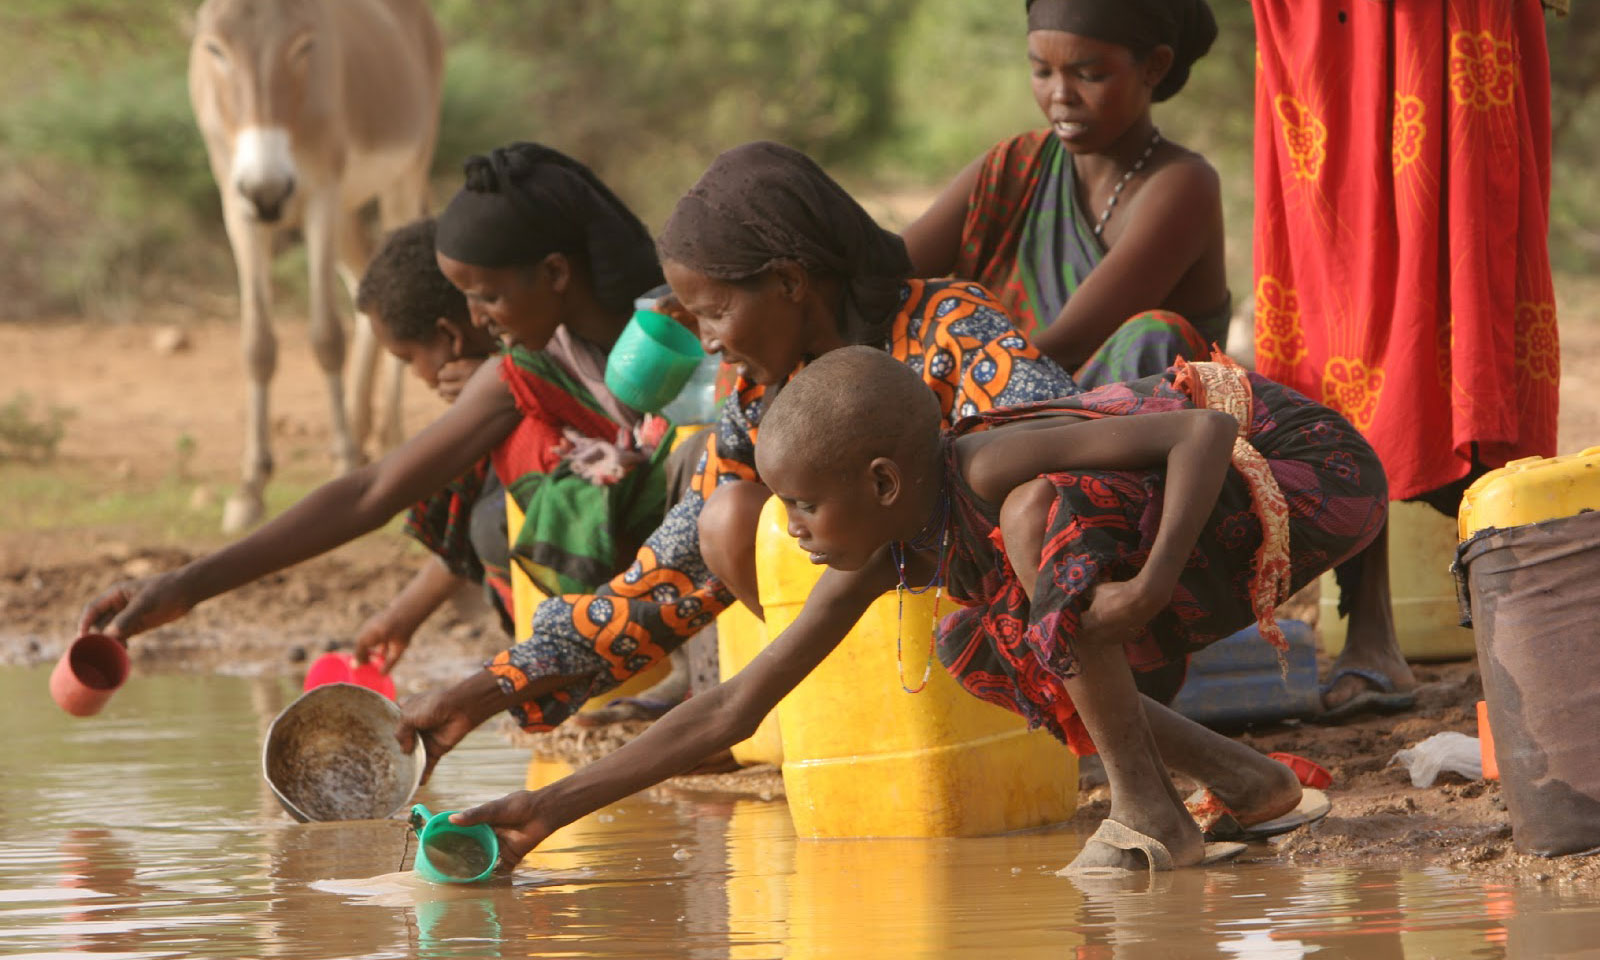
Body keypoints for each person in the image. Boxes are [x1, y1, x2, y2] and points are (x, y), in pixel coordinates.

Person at [448, 345, 1387, 873]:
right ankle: (1252, 786)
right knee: (971, 641)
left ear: (886, 478)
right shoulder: (893, 540)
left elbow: (1203, 429)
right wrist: (544, 811)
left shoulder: (982, 466)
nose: (795, 528)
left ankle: (1152, 816)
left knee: (1035, 520)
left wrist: (1144, 591)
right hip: (1219, 510)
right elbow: (739, 705)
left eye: (807, 505)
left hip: (1311, 474)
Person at [395, 141, 1081, 782]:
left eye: (715, 313)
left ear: (788, 282)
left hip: (1018, 633)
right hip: (877, 657)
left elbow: (1062, 454)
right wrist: (480, 694)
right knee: (723, 520)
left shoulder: (951, 327)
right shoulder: (759, 398)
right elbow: (659, 581)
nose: (710, 344)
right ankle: (833, 724)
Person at [77, 143, 675, 667]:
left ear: (554, 273)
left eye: (487, 296)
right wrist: (188, 585)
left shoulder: (681, 332)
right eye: (466, 298)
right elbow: (372, 490)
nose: (476, 320)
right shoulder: (523, 371)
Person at [1250, 1, 1561, 715]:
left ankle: (1525, 625)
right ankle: (1373, 633)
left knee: (1464, 297)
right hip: (1321, 28)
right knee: (1338, 313)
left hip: (1445, 21)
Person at [902, 0, 1227, 385]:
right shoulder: (1016, 166)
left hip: (1116, 428)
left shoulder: (1183, 185)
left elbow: (1070, 340)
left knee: (1154, 334)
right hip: (1000, 399)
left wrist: (953, 376)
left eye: (1088, 75)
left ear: (1154, 65)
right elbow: (888, 268)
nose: (1060, 95)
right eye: (1042, 71)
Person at [350, 217, 510, 671]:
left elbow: (371, 493)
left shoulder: (527, 388)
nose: (417, 376)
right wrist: (402, 615)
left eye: (407, 360)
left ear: (450, 337)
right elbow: (458, 543)